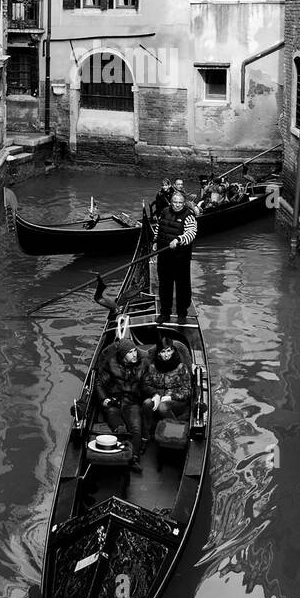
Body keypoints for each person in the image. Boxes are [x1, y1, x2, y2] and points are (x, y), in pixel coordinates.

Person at [94, 338, 147, 471]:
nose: (135, 354)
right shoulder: (111, 364)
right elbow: (99, 383)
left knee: (136, 428)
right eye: (130, 352)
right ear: (123, 355)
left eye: (135, 350)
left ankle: (133, 457)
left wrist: (155, 395)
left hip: (132, 402)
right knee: (120, 428)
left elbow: (147, 385)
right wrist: (104, 399)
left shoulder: (142, 364)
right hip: (114, 402)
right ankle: (122, 454)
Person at [153, 189, 197, 324]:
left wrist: (178, 239)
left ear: (184, 203)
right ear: (171, 202)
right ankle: (165, 312)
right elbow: (159, 228)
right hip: (164, 256)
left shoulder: (189, 216)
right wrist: (155, 242)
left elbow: (191, 233)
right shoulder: (164, 212)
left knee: (182, 286)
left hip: (180, 258)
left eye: (180, 203)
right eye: (175, 202)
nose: (177, 205)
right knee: (164, 285)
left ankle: (182, 314)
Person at [141, 336, 192, 441]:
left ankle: (177, 431)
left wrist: (170, 396)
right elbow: (145, 385)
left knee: (163, 407)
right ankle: (146, 436)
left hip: (177, 402)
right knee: (147, 403)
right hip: (159, 399)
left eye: (169, 351)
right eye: (163, 351)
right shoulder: (152, 367)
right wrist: (155, 395)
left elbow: (188, 390)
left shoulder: (181, 367)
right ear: (159, 353)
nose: (166, 354)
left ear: (173, 351)